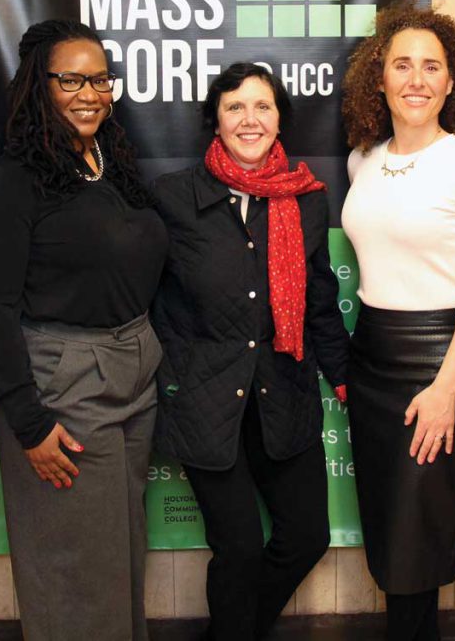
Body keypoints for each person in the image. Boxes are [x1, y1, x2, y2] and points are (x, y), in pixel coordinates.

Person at [0, 19, 167, 641]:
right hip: (64, 386)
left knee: (119, 556)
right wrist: (28, 423)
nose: (90, 92)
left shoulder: (112, 163)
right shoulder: (15, 182)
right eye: (71, 79)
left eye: (101, 78)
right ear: (40, 86)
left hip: (135, 375)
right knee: (77, 575)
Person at [151, 62, 349, 640]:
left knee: (307, 536)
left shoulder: (306, 200)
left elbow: (318, 303)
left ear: (280, 118)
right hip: (204, 404)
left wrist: (345, 377)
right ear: (215, 120)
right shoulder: (173, 198)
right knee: (237, 550)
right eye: (235, 107)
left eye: (262, 106)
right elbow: (146, 301)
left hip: (283, 395)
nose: (249, 119)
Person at [340, 1, 455, 641]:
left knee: (420, 540)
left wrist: (445, 388)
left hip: (443, 361)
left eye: (431, 67)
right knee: (388, 533)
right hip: (373, 358)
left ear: (452, 80)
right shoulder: (365, 160)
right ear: (378, 78)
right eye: (401, 64)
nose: (416, 79)